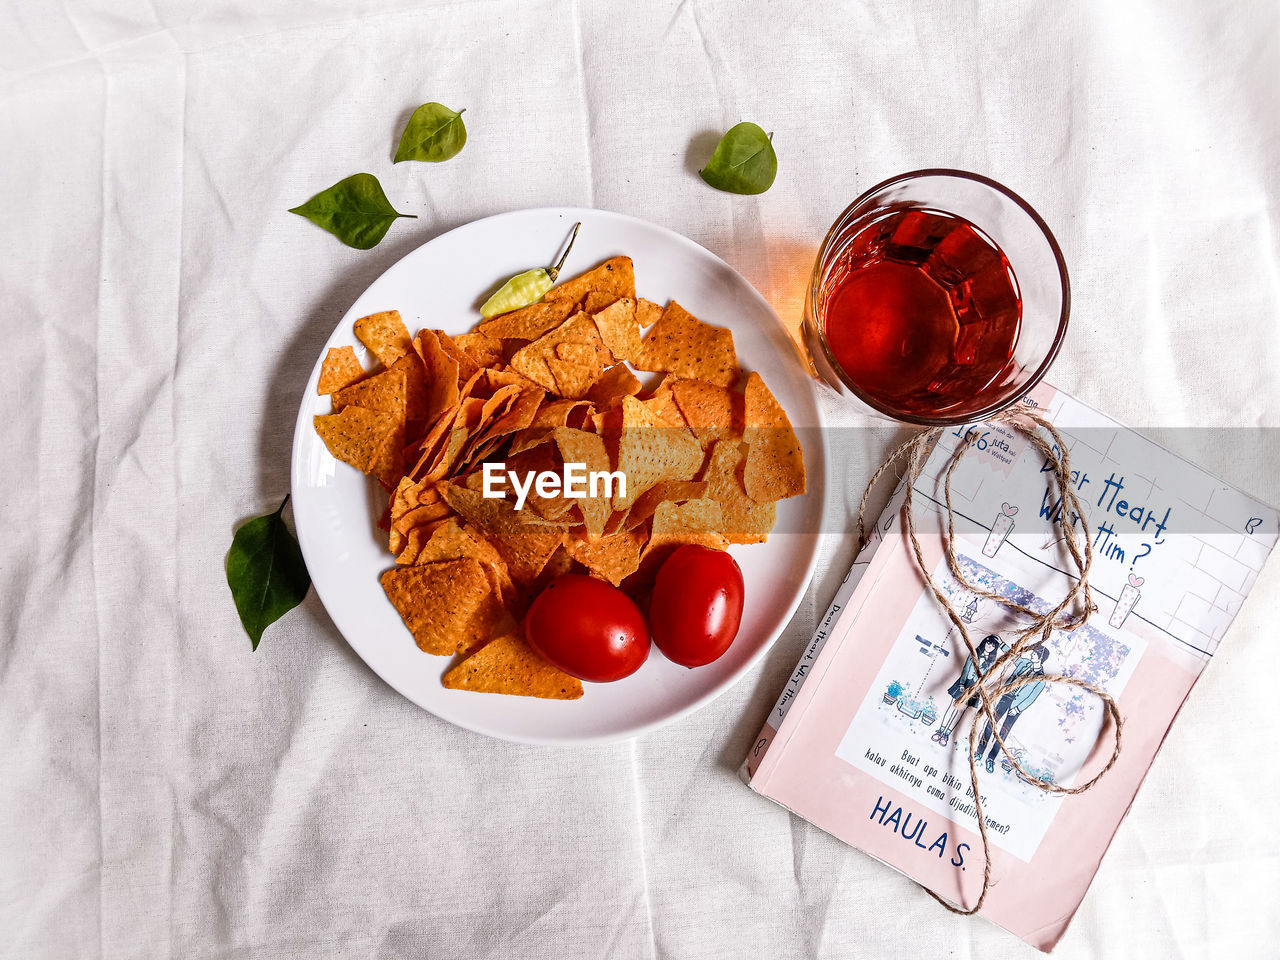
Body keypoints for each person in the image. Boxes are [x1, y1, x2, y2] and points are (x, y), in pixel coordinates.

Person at [974, 643, 1050, 773]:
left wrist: (1018, 708)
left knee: (1003, 733)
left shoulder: (1041, 679)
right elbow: (1013, 656)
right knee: (990, 724)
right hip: (1006, 697)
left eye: (1035, 653)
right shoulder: (1025, 663)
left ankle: (991, 759)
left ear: (1040, 657)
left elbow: (1031, 698)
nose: (1032, 653)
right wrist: (1002, 644)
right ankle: (979, 752)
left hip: (1016, 706)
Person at [931, 634, 1002, 748]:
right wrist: (961, 683)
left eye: (993, 645)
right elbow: (966, 668)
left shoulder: (991, 662)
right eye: (989, 643)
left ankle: (947, 734)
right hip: (964, 683)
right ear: (985, 642)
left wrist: (978, 688)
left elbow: (987, 677)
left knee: (960, 712)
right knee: (952, 708)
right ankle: (940, 731)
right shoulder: (975, 653)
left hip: (975, 687)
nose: (990, 646)